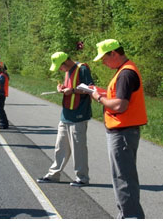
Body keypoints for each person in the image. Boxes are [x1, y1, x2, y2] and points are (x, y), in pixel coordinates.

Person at [91, 39, 147, 219]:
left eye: (104, 58)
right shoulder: (124, 71)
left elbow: (120, 105)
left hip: (122, 132)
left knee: (123, 179)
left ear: (114, 53)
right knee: (124, 177)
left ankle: (130, 216)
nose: (103, 62)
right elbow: (118, 97)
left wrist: (98, 98)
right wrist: (101, 92)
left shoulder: (125, 74)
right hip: (124, 131)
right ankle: (128, 214)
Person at [37, 51, 93, 187]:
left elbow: (90, 89)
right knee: (60, 147)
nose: (60, 70)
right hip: (66, 114)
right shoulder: (68, 71)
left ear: (66, 62)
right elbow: (70, 85)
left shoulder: (82, 69)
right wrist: (62, 88)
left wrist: (72, 91)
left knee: (78, 148)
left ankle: (82, 178)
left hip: (79, 114)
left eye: (60, 67)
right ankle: (53, 175)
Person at [0, 65, 9, 129]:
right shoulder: (4, 75)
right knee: (0, 108)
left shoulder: (1, 76)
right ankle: (3, 122)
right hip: (1, 94)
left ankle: (3, 123)